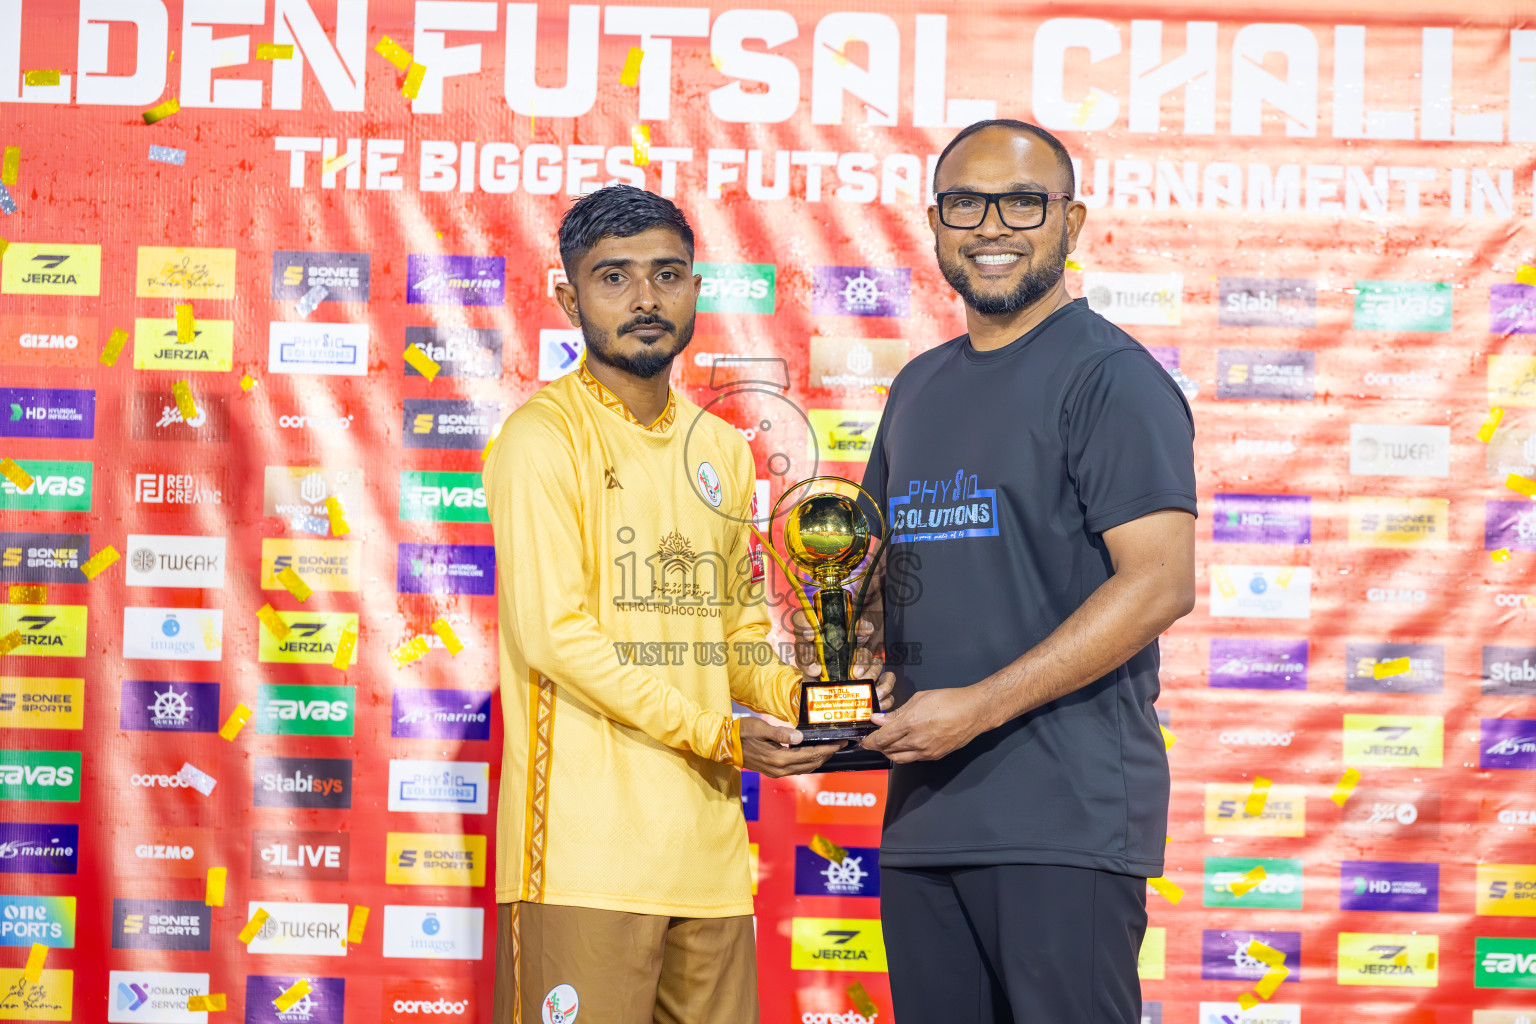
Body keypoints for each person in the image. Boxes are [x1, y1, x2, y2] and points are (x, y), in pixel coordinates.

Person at [483, 184, 893, 1024]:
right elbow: (557, 635)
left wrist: (825, 702)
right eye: (614, 279)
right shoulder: (541, 438)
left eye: (667, 275)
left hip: (707, 865)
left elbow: (735, 633)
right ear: (569, 298)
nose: (644, 299)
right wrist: (719, 733)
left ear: (696, 289)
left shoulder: (718, 449)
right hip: (581, 861)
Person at [857, 120, 1198, 1022]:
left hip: (1062, 818)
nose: (991, 225)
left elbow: (1160, 581)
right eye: (965, 203)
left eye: (1023, 201)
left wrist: (975, 708)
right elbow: (874, 580)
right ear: (935, 222)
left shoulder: (1110, 377)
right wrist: (846, 685)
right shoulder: (917, 387)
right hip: (926, 818)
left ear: (1072, 222)